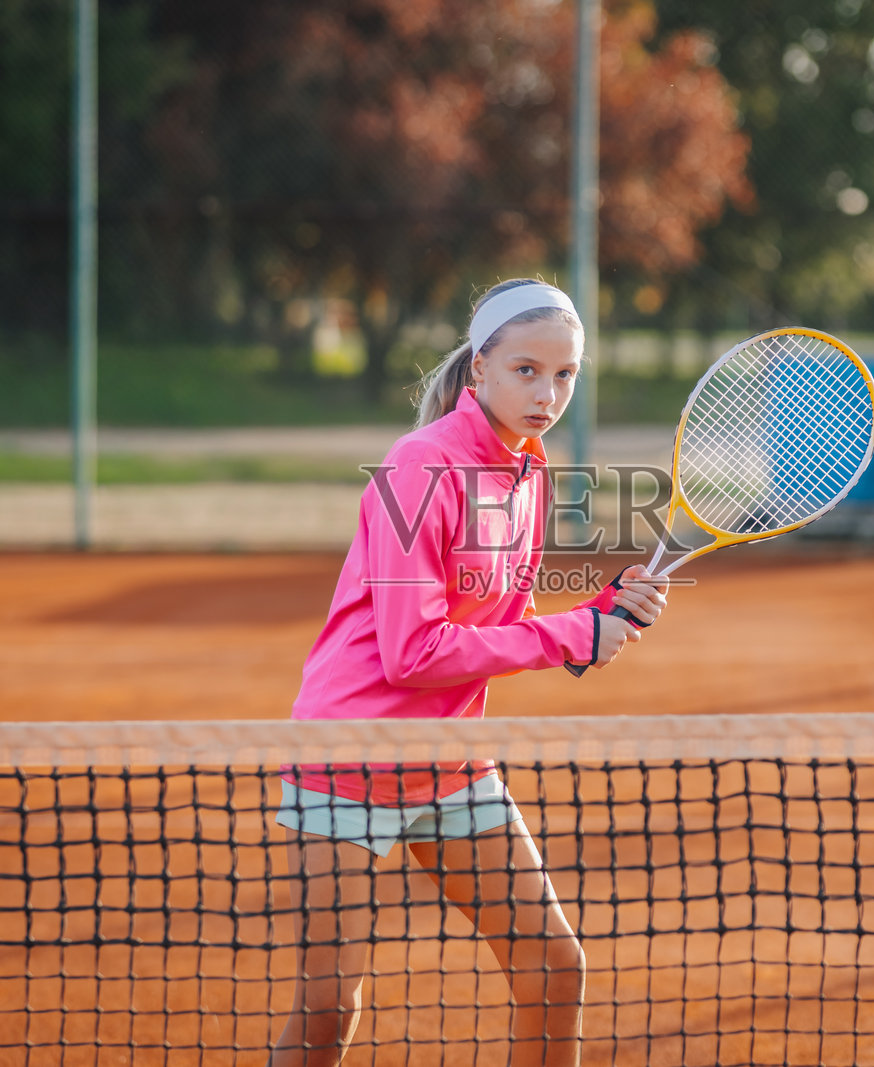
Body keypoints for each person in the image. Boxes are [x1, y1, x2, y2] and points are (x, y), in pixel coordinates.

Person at [269, 279, 668, 1066]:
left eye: (565, 374)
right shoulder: (419, 464)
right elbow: (412, 652)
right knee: (326, 1012)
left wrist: (600, 611)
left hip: (449, 762)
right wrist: (570, 635)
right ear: (479, 367)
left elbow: (502, 621)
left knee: (554, 970)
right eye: (526, 370)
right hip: (348, 760)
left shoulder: (529, 470)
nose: (547, 394)